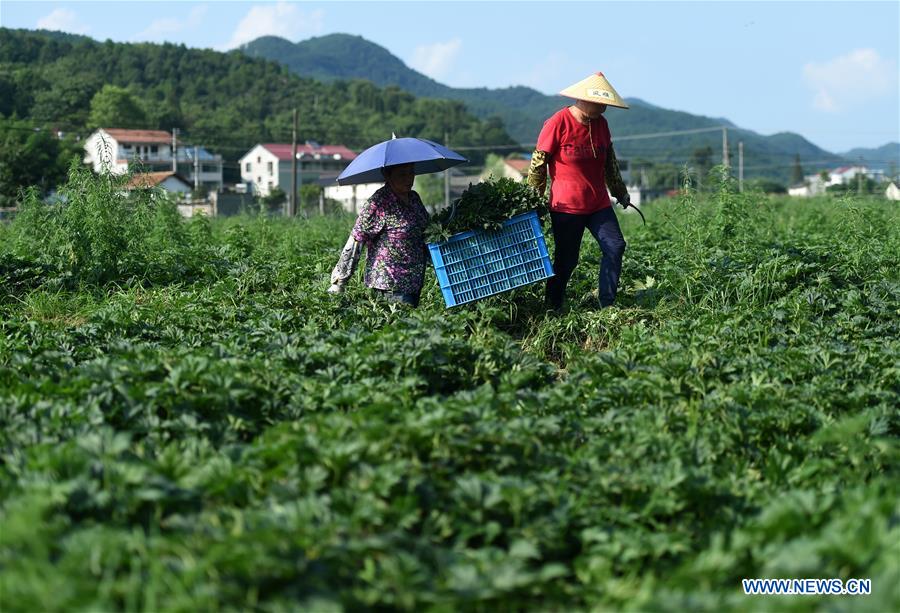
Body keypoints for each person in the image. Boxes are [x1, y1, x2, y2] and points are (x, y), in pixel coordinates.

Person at [527, 72, 633, 311]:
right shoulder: (558, 122)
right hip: (567, 206)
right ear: (583, 99)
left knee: (615, 246)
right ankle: (552, 307)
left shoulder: (602, 125)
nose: (603, 107)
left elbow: (609, 162)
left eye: (605, 103)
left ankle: (607, 304)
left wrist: (620, 191)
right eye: (599, 103)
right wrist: (533, 198)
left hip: (598, 204)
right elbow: (538, 162)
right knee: (567, 261)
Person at [328, 162, 429, 307]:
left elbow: (427, 229)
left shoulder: (414, 199)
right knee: (397, 327)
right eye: (402, 174)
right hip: (389, 283)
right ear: (387, 175)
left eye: (411, 172)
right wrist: (339, 281)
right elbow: (357, 240)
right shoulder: (379, 202)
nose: (409, 178)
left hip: (414, 281)